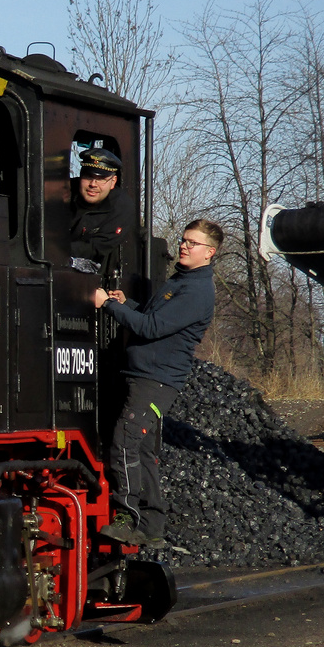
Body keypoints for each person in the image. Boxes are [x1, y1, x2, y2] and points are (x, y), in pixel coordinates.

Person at [91, 219, 223, 548]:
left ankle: (126, 518)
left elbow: (150, 329)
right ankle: (152, 525)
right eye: (183, 240)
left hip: (156, 380)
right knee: (144, 451)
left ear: (209, 252)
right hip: (147, 376)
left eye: (192, 243)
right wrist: (126, 304)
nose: (184, 246)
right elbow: (155, 320)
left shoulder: (196, 290)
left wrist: (107, 305)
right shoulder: (181, 281)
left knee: (124, 441)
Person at [69, 147, 137, 269]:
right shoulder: (62, 193)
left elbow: (95, 248)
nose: (93, 184)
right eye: (88, 177)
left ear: (113, 182)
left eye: (101, 179)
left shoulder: (122, 208)